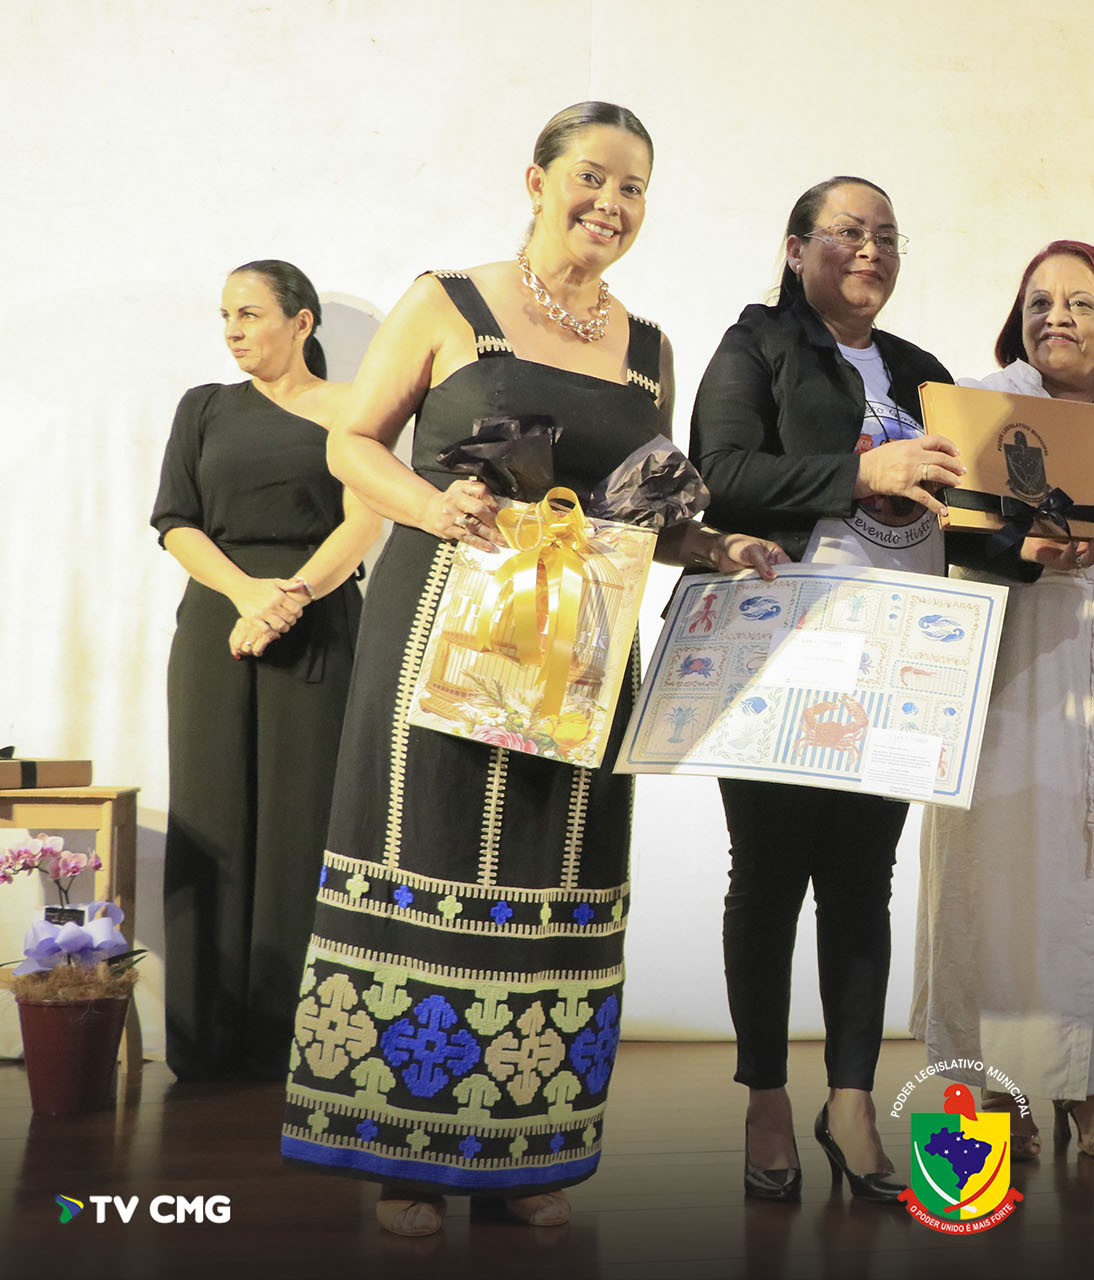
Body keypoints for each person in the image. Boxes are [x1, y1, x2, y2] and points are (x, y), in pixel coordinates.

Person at [279, 103, 783, 1238]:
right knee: (430, 853)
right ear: (537, 179)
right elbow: (350, 442)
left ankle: (522, 1151)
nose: (612, 203)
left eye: (634, 187)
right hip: (444, 628)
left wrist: (718, 548)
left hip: (584, 654)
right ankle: (407, 1159)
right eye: (593, 176)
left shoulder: (649, 349)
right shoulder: (447, 300)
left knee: (558, 876)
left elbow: (641, 512)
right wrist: (431, 505)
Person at [691, 177, 1078, 1204]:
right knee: (768, 877)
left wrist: (1029, 548)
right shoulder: (758, 346)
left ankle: (852, 1099)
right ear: (795, 248)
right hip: (782, 652)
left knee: (864, 880)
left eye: (888, 237)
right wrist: (858, 473)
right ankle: (766, 1097)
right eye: (848, 232)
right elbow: (719, 474)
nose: (871, 250)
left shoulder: (922, 371)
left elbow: (969, 516)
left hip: (901, 663)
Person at [913, 241, 1094, 1161]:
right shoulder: (985, 402)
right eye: (1038, 301)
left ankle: (1090, 1088)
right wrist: (1023, 551)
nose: (1055, 316)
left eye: (1079, 301)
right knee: (1007, 861)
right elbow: (946, 531)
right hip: (1022, 643)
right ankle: (1001, 1087)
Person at [151, 260, 381, 1082]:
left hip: (318, 620)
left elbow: (365, 521)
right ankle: (206, 1038)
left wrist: (292, 597)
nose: (233, 331)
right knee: (211, 813)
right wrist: (248, 594)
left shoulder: (355, 408)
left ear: (301, 321)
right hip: (219, 617)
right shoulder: (204, 408)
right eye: (226, 316)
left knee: (305, 819)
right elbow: (175, 521)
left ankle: (300, 1039)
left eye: (249, 314)